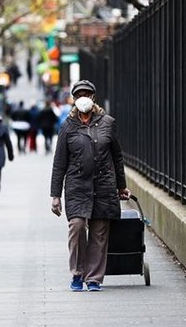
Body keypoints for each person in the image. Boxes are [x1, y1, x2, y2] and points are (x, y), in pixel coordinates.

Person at [49, 80, 131, 292]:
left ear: (93, 97)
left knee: (99, 233)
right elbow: (59, 163)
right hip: (77, 186)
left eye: (87, 93)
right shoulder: (67, 126)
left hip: (103, 185)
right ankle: (77, 273)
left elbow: (117, 157)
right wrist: (55, 195)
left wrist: (121, 187)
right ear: (74, 99)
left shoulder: (107, 123)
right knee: (76, 227)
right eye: (79, 94)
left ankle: (93, 278)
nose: (83, 97)